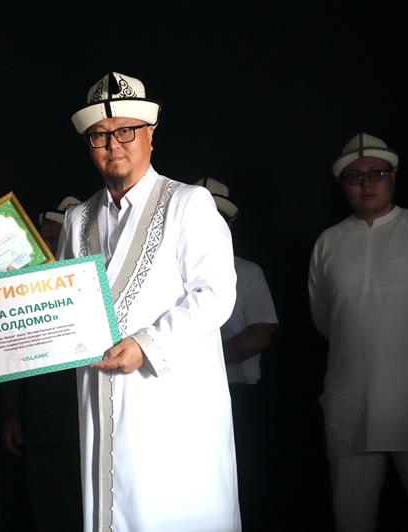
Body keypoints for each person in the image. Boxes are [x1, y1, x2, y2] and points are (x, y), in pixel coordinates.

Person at [58, 72, 240, 530]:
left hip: (171, 403)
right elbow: (63, 307)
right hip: (100, 399)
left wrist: (147, 345)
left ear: (150, 135)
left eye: (125, 131)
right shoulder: (77, 219)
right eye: (100, 135)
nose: (113, 145)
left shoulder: (189, 202)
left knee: (175, 508)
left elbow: (217, 293)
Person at [308, 132, 408, 532]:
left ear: (393, 176)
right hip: (351, 403)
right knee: (351, 518)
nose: (367, 183)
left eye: (376, 173)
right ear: (343, 185)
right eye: (355, 177)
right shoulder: (328, 242)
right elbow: (326, 319)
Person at [195, 178, 279, 530]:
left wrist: (200, 359)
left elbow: (260, 336)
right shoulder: (168, 276)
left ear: (229, 225)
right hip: (187, 399)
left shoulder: (246, 272)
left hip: (238, 397)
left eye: (218, 218)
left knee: (244, 486)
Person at [0, 196, 83, 532]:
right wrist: (11, 415)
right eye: (47, 239)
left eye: (60, 238)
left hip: (92, 424)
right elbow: (10, 354)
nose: (54, 246)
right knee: (51, 514)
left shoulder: (100, 282)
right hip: (42, 424)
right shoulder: (22, 288)